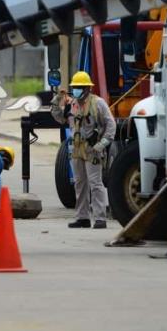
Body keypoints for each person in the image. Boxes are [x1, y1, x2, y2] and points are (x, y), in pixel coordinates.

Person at [50, 71, 116, 229]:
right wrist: (57, 99)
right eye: (75, 87)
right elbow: (59, 117)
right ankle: (82, 217)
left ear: (87, 88)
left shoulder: (98, 103)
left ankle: (100, 218)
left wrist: (102, 144)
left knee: (95, 183)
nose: (77, 90)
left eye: (80, 87)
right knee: (80, 183)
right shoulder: (72, 104)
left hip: (93, 149)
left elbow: (110, 125)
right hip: (77, 149)